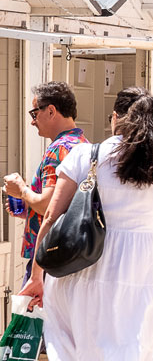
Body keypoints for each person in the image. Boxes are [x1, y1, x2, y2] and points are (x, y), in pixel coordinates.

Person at [20, 87, 153, 360]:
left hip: (80, 261)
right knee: (132, 347)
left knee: (76, 348)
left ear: (115, 118)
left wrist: (36, 275)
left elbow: (52, 218)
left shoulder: (84, 155)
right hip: (138, 268)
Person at [4, 82, 88, 287]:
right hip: (75, 253)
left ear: (51, 111)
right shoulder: (84, 144)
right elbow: (66, 205)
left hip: (48, 257)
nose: (32, 122)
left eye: (34, 113)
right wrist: (29, 210)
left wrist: (22, 190)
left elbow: (47, 205)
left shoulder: (58, 149)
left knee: (34, 318)